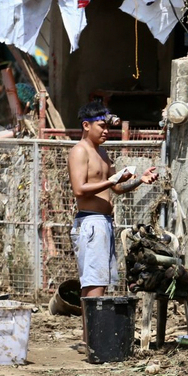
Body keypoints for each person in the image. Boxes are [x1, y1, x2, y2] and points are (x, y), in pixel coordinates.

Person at [68, 100, 157, 353]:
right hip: (90, 222)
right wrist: (112, 179)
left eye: (108, 127)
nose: (106, 131)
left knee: (99, 282)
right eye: (101, 126)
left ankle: (91, 338)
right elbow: (79, 189)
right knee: (93, 282)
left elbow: (116, 188)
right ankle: (91, 340)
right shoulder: (80, 151)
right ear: (86, 125)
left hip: (105, 222)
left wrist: (139, 180)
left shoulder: (103, 152)